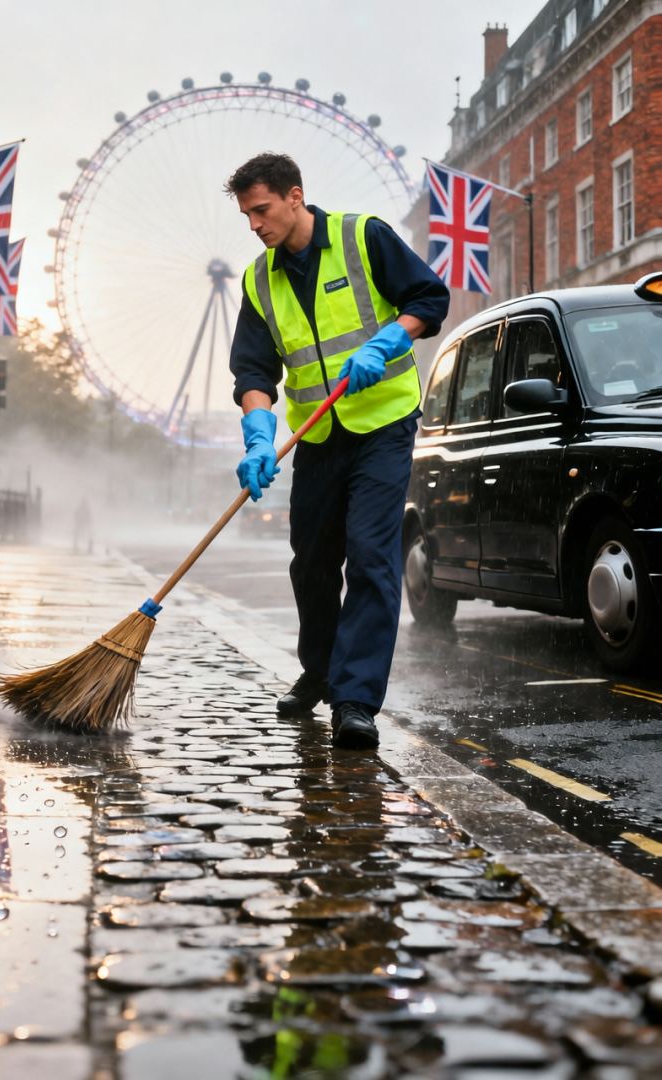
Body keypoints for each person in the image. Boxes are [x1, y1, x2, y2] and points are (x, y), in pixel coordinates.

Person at [227, 153, 449, 750]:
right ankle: (319, 671)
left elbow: (430, 297)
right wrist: (257, 435)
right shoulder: (258, 279)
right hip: (317, 435)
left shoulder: (363, 236)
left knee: (372, 557)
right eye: (247, 215)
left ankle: (355, 701)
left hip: (382, 425)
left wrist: (388, 339)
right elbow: (253, 369)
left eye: (262, 210)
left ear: (295, 197)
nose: (255, 225)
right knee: (312, 563)